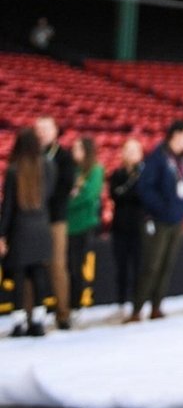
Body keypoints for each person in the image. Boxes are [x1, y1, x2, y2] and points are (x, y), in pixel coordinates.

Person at [127, 120, 183, 322]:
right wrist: (162, 208)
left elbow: (182, 183)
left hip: (176, 220)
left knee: (167, 265)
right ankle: (137, 309)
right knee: (151, 265)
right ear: (176, 134)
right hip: (158, 221)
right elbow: (145, 188)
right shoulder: (157, 157)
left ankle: (156, 306)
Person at [0, 128, 55, 337]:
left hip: (20, 228)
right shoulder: (48, 166)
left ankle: (19, 322)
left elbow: (7, 207)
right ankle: (39, 321)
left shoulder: (14, 170)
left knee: (19, 277)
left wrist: (2, 234)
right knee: (39, 274)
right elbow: (49, 196)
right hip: (41, 225)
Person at [34, 115, 74, 331]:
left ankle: (63, 313)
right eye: (38, 128)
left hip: (55, 219)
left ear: (55, 131)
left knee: (57, 266)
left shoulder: (63, 156)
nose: (42, 132)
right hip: (32, 221)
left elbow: (65, 187)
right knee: (33, 267)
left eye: (46, 128)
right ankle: (32, 313)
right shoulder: (29, 154)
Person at [66, 134, 104, 317]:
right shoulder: (72, 170)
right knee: (67, 266)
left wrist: (70, 200)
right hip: (68, 225)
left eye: (78, 148)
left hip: (83, 225)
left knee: (76, 266)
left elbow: (88, 196)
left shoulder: (95, 170)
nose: (74, 152)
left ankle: (76, 304)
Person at [107, 136, 145, 316]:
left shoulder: (144, 175)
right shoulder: (117, 174)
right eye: (127, 150)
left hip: (138, 227)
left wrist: (126, 193)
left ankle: (137, 302)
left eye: (134, 151)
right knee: (121, 267)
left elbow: (141, 197)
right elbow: (115, 195)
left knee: (138, 266)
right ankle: (121, 302)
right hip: (120, 226)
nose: (130, 155)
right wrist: (128, 193)